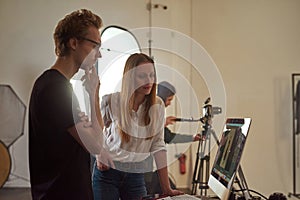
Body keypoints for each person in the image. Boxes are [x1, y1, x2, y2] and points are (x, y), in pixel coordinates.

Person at [29, 9, 104, 200]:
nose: (99, 55)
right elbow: (96, 145)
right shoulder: (56, 88)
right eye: (95, 45)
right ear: (73, 43)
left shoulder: (51, 84)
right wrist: (94, 94)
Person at [92, 53, 183, 200]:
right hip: (108, 173)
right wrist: (99, 152)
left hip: (136, 174)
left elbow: (158, 145)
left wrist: (167, 188)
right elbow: (96, 128)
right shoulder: (111, 101)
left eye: (152, 75)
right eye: (142, 76)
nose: (149, 81)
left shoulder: (158, 105)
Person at [144, 81, 202, 195]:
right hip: (143, 171)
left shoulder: (157, 112)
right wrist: (162, 123)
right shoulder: (150, 110)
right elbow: (160, 135)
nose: (169, 103)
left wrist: (192, 138)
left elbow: (168, 136)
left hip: (150, 169)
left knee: (172, 189)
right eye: (169, 100)